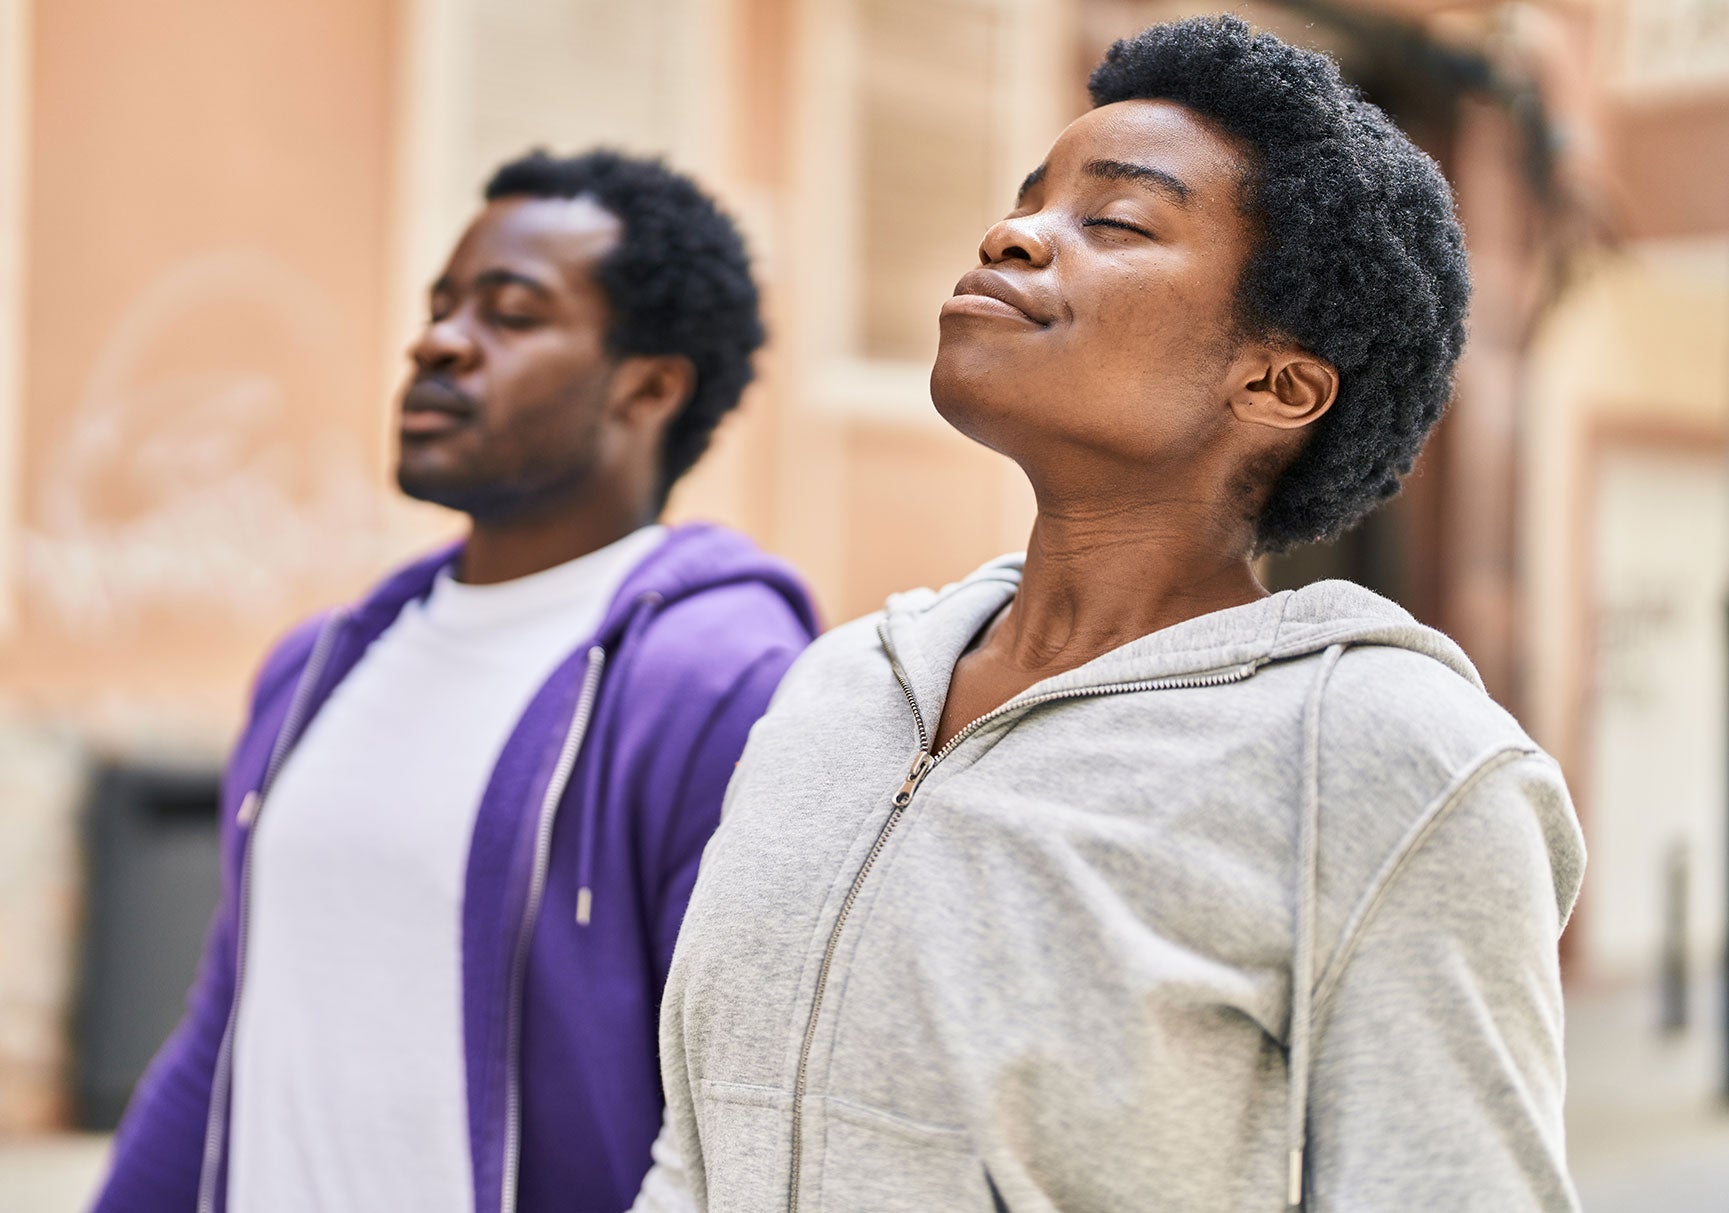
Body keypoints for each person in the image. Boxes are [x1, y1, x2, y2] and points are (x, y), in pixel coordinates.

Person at [633, 16, 1583, 1212]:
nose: (1012, 235)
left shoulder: (1388, 762)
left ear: (1276, 384)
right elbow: (697, 1146)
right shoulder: (838, 688)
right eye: (1027, 200)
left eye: (1116, 221)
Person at [93, 150, 819, 1213]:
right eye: (442, 306)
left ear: (649, 386)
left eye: (510, 314)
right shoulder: (317, 666)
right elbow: (229, 1028)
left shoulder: (717, 684)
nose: (437, 341)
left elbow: (742, 1110)